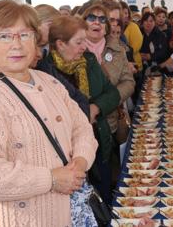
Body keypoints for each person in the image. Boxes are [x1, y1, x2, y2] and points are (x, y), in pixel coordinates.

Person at [0, 0, 98, 227]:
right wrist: (51, 179)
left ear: (36, 41)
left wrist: (79, 162)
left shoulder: (49, 83)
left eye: (25, 35)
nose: (16, 45)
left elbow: (81, 128)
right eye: (4, 36)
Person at [48, 15, 120, 204]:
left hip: (98, 140)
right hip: (68, 159)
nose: (84, 47)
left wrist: (96, 107)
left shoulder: (88, 61)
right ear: (60, 44)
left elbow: (112, 93)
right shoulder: (45, 72)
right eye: (79, 42)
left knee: (104, 198)